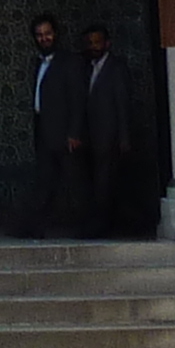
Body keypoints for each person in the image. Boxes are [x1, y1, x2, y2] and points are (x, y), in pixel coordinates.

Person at [69, 22, 156, 241]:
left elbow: (122, 104)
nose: (93, 46)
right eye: (90, 43)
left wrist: (124, 138)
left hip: (109, 138)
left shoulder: (116, 68)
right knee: (94, 185)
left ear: (107, 44)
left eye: (97, 42)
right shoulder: (85, 68)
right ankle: (96, 224)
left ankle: (102, 227)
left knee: (104, 185)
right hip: (91, 139)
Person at [23, 14, 84, 239]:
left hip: (65, 133)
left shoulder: (69, 62)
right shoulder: (38, 62)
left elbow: (78, 99)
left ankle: (89, 226)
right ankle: (35, 226)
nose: (44, 38)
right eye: (39, 35)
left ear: (56, 34)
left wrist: (74, 132)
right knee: (45, 180)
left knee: (76, 182)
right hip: (45, 131)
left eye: (47, 34)